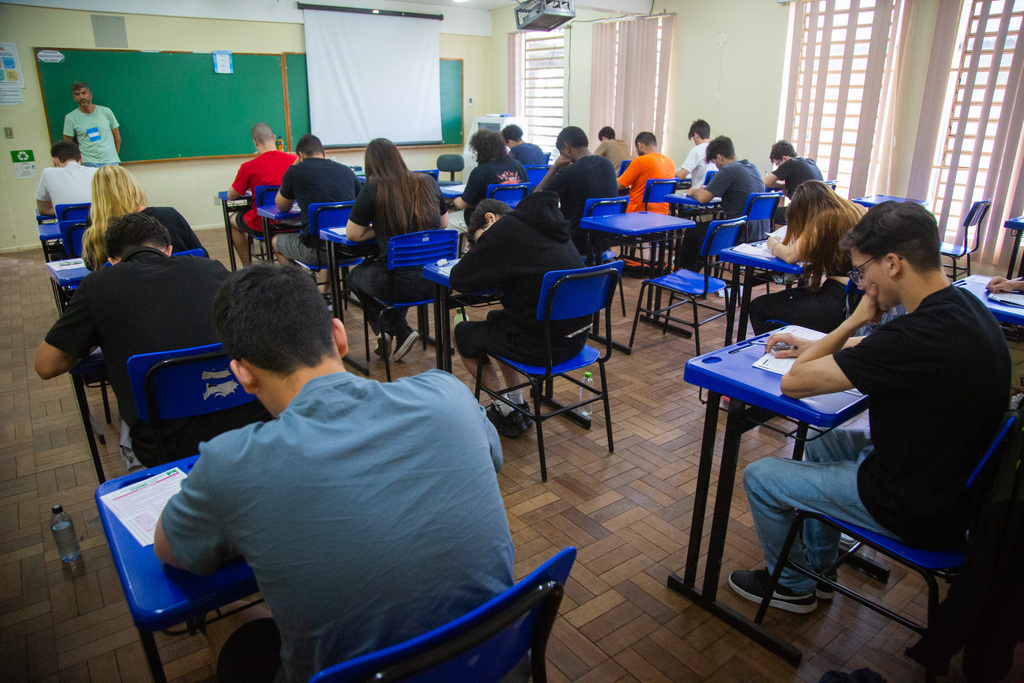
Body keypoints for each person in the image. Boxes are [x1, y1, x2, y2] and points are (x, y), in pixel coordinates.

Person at [152, 263, 514, 683]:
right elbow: (494, 458)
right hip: (491, 661)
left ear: (242, 375)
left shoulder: (231, 465)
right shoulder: (449, 393)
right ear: (338, 336)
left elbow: (169, 549)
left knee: (223, 616)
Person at [729, 201, 1009, 614]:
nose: (861, 283)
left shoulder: (916, 335)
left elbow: (794, 383)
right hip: (952, 483)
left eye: (862, 270)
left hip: (914, 507)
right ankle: (822, 569)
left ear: (892, 263)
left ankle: (792, 584)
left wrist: (849, 323)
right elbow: (890, 347)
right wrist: (818, 344)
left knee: (761, 475)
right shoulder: (963, 308)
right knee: (824, 443)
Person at [34, 213, 269, 471]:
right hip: (248, 422)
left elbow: (46, 366)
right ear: (168, 250)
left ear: (111, 260)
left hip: (162, 444)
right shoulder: (212, 268)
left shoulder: (97, 285)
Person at [450, 191, 590, 438]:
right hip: (576, 339)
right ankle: (515, 401)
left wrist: (480, 251)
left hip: (543, 349)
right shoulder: (549, 224)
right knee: (498, 319)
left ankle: (504, 408)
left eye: (480, 241)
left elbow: (459, 278)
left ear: (491, 219)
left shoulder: (506, 231)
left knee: (462, 333)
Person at [346, 137, 448, 362]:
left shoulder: (373, 186)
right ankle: (387, 332)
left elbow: (353, 234)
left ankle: (397, 329)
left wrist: (380, 229)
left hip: (399, 283)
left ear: (370, 163)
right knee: (401, 269)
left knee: (354, 278)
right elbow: (443, 225)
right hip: (435, 281)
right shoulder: (428, 181)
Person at [748, 181, 865, 334]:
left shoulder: (825, 219)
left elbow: (791, 256)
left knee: (758, 306)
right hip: (857, 298)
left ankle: (777, 354)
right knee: (793, 294)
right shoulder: (855, 210)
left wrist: (773, 243)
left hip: (837, 301)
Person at [83, 165, 205, 270]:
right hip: (182, 286)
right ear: (133, 188)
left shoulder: (95, 230)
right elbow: (202, 255)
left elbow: (92, 267)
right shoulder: (169, 215)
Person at [272, 134, 361, 267]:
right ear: (323, 153)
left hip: (317, 253)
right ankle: (329, 287)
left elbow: (281, 206)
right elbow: (360, 204)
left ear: (300, 155)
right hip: (351, 250)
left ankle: (299, 284)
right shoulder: (346, 171)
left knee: (275, 241)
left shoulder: (294, 172)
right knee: (329, 234)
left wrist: (294, 164)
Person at [681, 135, 766, 270]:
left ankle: (684, 272)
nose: (717, 167)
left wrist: (693, 191)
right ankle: (692, 271)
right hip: (760, 231)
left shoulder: (728, 170)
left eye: (715, 162)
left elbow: (703, 198)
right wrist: (709, 189)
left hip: (739, 231)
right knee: (705, 231)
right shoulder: (751, 167)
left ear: (719, 157)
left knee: (694, 231)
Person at [533, 125, 618, 254]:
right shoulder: (608, 164)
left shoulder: (570, 172)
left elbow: (535, 199)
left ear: (567, 147)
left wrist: (554, 168)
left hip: (575, 242)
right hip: (604, 241)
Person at [228, 123, 297, 266]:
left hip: (262, 223)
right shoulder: (295, 160)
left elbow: (232, 195)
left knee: (232, 219)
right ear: (273, 138)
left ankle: (247, 266)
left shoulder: (249, 166)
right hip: (294, 218)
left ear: (255, 142)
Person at [454, 129, 529, 230]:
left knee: (445, 222)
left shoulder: (480, 171)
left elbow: (463, 204)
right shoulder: (517, 165)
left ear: (478, 150)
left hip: (485, 221)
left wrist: (453, 200)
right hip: (514, 219)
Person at [763, 140, 823, 224]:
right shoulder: (810, 162)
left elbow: (765, 182)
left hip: (801, 213)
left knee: (767, 214)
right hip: (818, 212)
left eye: (778, 165)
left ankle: (777, 237)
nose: (779, 168)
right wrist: (783, 186)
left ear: (784, 158)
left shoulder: (790, 163)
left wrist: (778, 185)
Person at [62, 81, 120, 166]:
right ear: (74, 98)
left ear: (90, 95)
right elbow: (67, 144)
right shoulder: (70, 118)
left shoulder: (106, 112)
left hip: (110, 161)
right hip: (88, 162)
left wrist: (114, 156)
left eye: (84, 93)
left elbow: (117, 137)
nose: (82, 97)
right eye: (77, 94)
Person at [617, 131, 676, 214]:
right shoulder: (671, 163)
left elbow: (619, 185)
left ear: (640, 145)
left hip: (637, 213)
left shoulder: (641, 161)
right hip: (661, 216)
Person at [35, 140, 96, 216]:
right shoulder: (96, 172)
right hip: (97, 225)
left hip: (68, 227)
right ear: (81, 158)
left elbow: (43, 209)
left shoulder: (48, 173)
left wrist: (64, 210)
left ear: (55, 161)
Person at [675, 119, 717, 188]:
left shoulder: (696, 150)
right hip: (713, 195)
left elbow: (681, 175)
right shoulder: (716, 149)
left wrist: (672, 172)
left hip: (699, 194)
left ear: (696, 135)